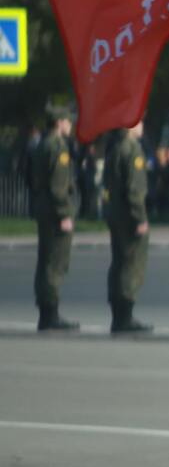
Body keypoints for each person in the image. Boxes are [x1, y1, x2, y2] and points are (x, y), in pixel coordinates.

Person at [29, 97, 80, 332]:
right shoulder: (58, 147)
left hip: (43, 209)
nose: (70, 125)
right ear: (59, 123)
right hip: (54, 212)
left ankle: (46, 312)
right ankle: (51, 314)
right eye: (68, 121)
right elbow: (58, 186)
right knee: (54, 262)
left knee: (45, 261)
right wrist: (64, 214)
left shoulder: (42, 144)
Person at [102, 122, 152, 335]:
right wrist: (140, 218)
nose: (142, 125)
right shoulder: (132, 150)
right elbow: (134, 190)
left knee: (119, 262)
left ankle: (118, 315)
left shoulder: (115, 148)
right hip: (128, 217)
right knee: (130, 264)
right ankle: (125, 317)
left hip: (117, 214)